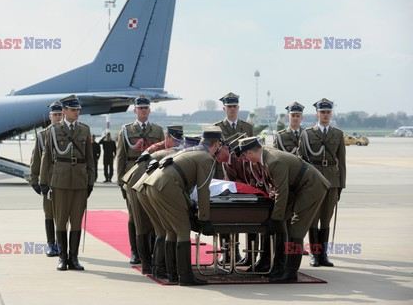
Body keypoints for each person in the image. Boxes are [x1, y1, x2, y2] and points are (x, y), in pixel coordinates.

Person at [139, 126, 225, 286]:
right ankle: (185, 276)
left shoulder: (191, 151)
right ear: (216, 144)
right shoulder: (206, 158)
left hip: (153, 184)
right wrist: (204, 218)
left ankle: (173, 274)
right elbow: (202, 190)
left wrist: (192, 209)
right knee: (183, 230)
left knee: (172, 230)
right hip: (167, 186)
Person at [236, 137, 330, 282]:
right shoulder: (266, 154)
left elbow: (282, 191)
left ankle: (290, 272)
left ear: (249, 152)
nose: (244, 159)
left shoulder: (273, 161)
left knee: (295, 229)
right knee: (284, 226)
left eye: (244, 155)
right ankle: (279, 267)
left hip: (312, 187)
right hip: (299, 187)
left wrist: (276, 217)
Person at [40, 95, 95, 271]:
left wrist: (91, 180)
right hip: (60, 181)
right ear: (64, 111)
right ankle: (62, 258)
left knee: (77, 222)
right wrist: (43, 182)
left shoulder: (85, 130)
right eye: (73, 110)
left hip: (79, 181)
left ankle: (74, 258)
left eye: (78, 109)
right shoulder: (53, 131)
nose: (77, 112)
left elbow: (90, 158)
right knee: (61, 221)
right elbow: (46, 158)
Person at [122, 125, 183, 276]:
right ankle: (146, 264)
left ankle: (157, 261)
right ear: (167, 138)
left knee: (156, 224)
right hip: (136, 182)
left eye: (179, 140)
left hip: (150, 182)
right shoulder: (157, 148)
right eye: (175, 140)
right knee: (142, 224)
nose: (178, 143)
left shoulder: (177, 149)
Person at [116, 94, 164, 264]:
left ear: (149, 110)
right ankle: (135, 251)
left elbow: (162, 155)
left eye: (146, 108)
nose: (143, 111)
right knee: (133, 216)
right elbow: (121, 157)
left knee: (152, 214)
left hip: (151, 177)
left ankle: (151, 249)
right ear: (135, 110)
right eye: (140, 108)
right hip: (133, 178)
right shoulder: (126, 130)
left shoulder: (157, 131)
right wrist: (121, 181)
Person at [298, 98, 346, 267]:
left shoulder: (338, 134)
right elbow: (301, 158)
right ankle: (314, 255)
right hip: (314, 180)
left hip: (332, 181)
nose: (325, 115)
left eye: (327, 112)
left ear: (331, 114)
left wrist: (341, 185)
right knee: (313, 219)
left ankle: (323, 255)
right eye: (322, 112)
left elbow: (342, 161)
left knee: (326, 219)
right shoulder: (307, 134)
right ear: (316, 114)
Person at [214, 92, 254, 265]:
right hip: (222, 178)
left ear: (238, 108)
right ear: (224, 109)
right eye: (229, 107)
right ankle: (226, 251)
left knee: (241, 216)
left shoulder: (247, 128)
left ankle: (239, 251)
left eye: (234, 106)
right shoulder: (216, 128)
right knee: (224, 216)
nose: (232, 109)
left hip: (242, 178)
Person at [29, 101, 63, 257]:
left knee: (63, 215)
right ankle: (51, 244)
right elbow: (36, 159)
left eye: (59, 115)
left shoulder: (69, 134)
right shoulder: (42, 135)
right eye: (55, 115)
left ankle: (61, 244)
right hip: (48, 181)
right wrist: (34, 180)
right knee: (49, 214)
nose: (57, 118)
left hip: (64, 180)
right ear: (50, 117)